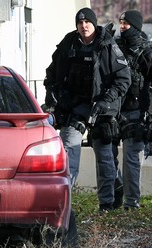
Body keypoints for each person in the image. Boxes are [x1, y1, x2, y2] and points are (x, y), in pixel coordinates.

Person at [43, 7, 131, 212]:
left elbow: (123, 79)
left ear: (94, 23)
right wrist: (58, 96)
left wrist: (105, 101)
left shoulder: (107, 44)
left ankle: (106, 203)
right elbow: (51, 74)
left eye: (87, 22)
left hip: (101, 109)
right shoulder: (68, 44)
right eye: (80, 23)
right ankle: (64, 206)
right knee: (68, 155)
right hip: (74, 108)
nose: (84, 26)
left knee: (104, 158)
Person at [112, 10, 152, 210]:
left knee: (131, 157)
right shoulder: (113, 48)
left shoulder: (148, 53)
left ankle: (131, 202)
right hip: (112, 109)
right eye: (121, 22)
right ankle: (116, 189)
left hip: (136, 111)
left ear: (136, 26)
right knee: (105, 155)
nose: (122, 26)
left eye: (126, 23)